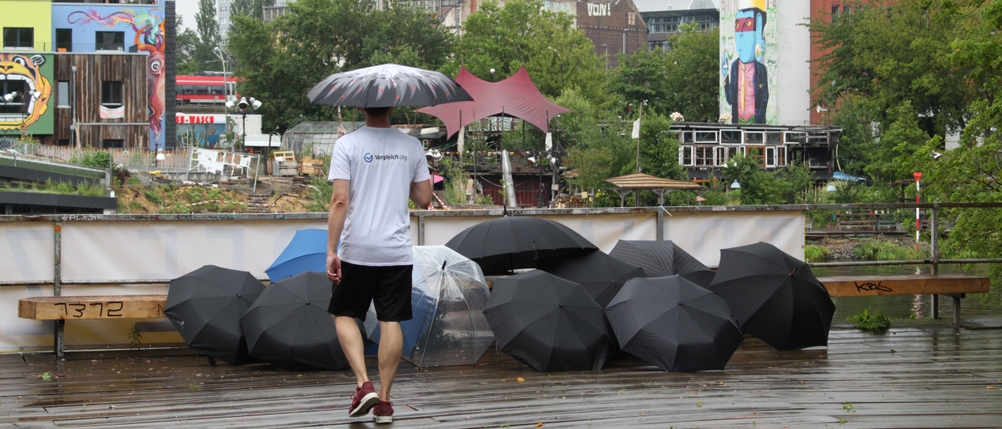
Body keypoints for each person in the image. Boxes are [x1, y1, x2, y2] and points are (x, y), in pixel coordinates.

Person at [326, 106, 432, 424]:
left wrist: (332, 249)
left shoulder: (348, 144)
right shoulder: (411, 145)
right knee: (391, 320)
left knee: (344, 314)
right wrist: (401, 178)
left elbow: (340, 200)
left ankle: (363, 384)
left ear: (362, 107)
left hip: (358, 248)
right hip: (396, 251)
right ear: (391, 107)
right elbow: (424, 199)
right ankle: (384, 403)